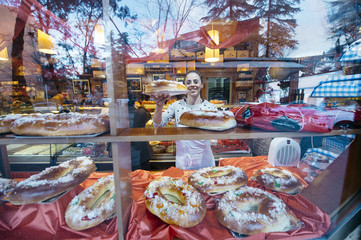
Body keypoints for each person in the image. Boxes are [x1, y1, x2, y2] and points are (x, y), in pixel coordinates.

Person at [151, 70, 217, 170]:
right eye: (189, 82)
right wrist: (159, 106)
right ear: (185, 86)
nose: (192, 85)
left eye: (196, 81)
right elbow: (157, 125)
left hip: (205, 160)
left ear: (201, 85)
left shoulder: (210, 107)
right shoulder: (176, 106)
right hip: (183, 161)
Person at [128, 94, 153, 170]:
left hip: (123, 156)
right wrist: (141, 107)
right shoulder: (140, 113)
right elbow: (148, 115)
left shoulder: (115, 115)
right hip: (140, 154)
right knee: (143, 177)